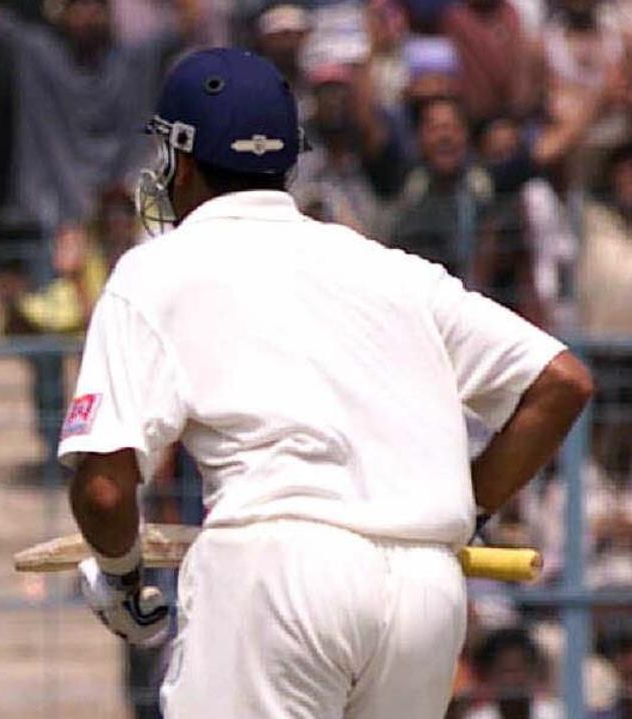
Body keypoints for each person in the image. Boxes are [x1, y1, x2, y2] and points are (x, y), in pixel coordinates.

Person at [60, 48, 593, 718]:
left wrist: (119, 578)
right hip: (422, 592)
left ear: (180, 161)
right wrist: (470, 508)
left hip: (275, 575)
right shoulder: (386, 267)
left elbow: (105, 488)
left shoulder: (153, 271)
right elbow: (561, 382)